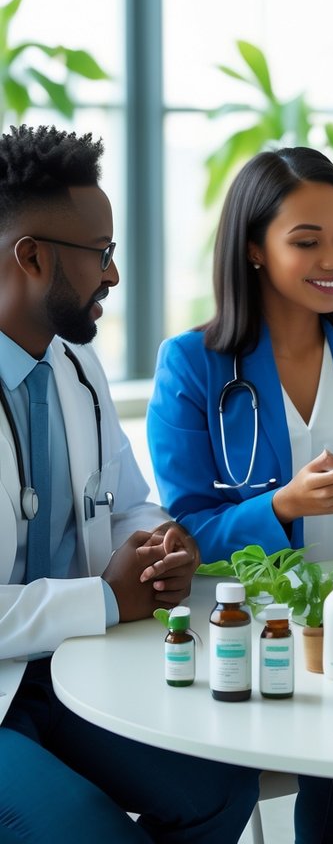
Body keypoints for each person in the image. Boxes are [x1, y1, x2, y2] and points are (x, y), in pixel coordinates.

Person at [147, 145, 333, 844]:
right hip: (247, 623)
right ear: (254, 249)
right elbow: (190, 526)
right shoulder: (192, 362)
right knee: (217, 802)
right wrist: (283, 507)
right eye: (306, 241)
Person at [0, 125, 259, 843]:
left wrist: (156, 540)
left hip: (68, 672)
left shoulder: (78, 369)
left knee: (219, 785)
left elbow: (127, 497)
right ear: (32, 256)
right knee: (91, 831)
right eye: (102, 254)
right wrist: (108, 598)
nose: (113, 276)